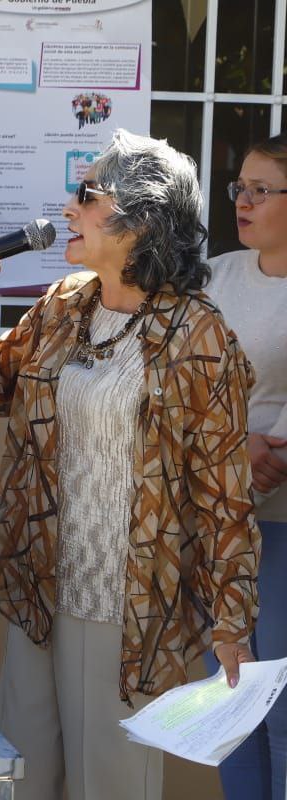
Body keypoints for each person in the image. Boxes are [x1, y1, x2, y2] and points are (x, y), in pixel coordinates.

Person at [0, 129, 259, 800]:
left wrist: (232, 620)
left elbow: (224, 492)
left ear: (142, 222)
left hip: (136, 604)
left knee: (110, 782)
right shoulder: (61, 307)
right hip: (40, 586)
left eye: (87, 194)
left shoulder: (199, 335)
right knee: (21, 775)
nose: (69, 207)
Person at [203, 133, 287, 800]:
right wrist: (235, 448)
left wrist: (270, 447)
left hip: (282, 519)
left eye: (262, 190)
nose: (244, 201)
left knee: (282, 704)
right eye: (240, 188)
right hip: (219, 517)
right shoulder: (220, 274)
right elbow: (184, 383)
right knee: (233, 700)